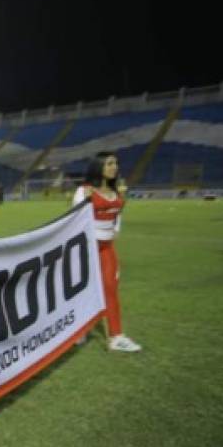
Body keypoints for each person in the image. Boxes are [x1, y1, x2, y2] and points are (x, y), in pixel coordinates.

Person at [72, 151, 141, 352]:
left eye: (116, 163)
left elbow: (117, 215)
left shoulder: (116, 193)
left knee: (110, 289)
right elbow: (74, 221)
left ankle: (116, 336)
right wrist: (85, 202)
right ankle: (79, 330)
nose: (114, 167)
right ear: (98, 167)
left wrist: (115, 231)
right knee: (83, 290)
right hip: (87, 249)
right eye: (109, 163)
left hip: (107, 249)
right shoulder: (84, 191)